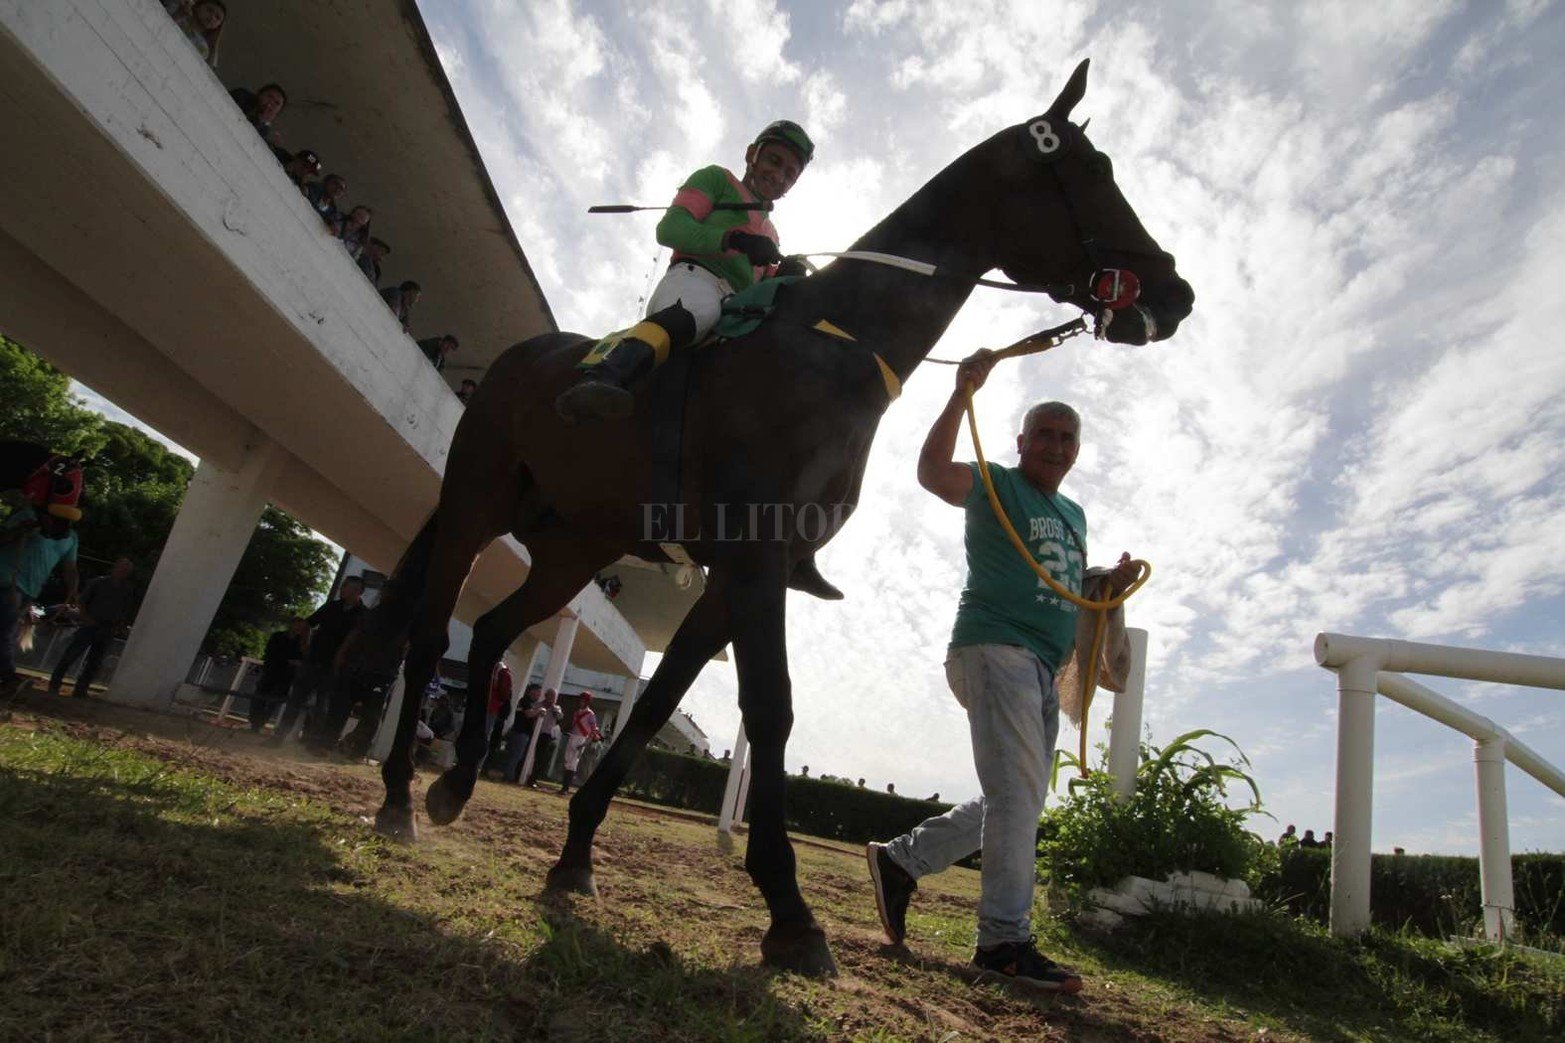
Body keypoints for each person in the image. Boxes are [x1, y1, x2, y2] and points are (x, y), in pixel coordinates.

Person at [866, 353, 1139, 994]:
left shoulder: (1074, 514)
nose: (1056, 444)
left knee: (1016, 799)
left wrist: (1110, 582)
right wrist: (962, 395)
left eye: (1067, 437)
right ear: (1021, 442)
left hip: (1044, 664)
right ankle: (1003, 945)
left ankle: (904, 862)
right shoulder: (994, 481)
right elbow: (932, 472)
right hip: (993, 649)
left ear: (1076, 451)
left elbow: (1070, 584)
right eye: (1044, 433)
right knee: (1018, 798)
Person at [554, 120, 814, 422]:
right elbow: (670, 228)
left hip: (735, 308)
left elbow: (764, 292)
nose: (779, 176)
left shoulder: (772, 234)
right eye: (774, 161)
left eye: (790, 174)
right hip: (693, 281)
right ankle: (604, 376)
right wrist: (734, 239)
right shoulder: (717, 179)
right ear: (752, 154)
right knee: (698, 311)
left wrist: (785, 278)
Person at [266, 576, 366, 745]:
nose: (341, 589)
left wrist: (343, 658)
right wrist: (306, 646)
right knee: (296, 700)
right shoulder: (332, 607)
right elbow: (308, 624)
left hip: (336, 666)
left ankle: (314, 742)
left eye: (345, 587)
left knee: (323, 705)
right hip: (315, 659)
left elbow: (356, 640)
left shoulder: (363, 615)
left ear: (357, 591)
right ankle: (279, 737)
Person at [0, 505, 80, 694]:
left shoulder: (70, 537)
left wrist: (73, 590)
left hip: (31, 590)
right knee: (5, 630)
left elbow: (70, 567)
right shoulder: (27, 516)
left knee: (7, 630)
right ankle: (8, 676)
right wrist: (21, 530)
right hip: (7, 582)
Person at [47, 556, 135, 697]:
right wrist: (85, 618)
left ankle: (81, 689)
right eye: (122, 568)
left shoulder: (127, 589)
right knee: (71, 656)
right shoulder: (99, 583)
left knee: (94, 662)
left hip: (108, 628)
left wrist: (119, 625)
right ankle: (54, 685)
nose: (124, 572)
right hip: (91, 624)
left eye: (127, 570)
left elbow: (125, 610)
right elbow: (82, 601)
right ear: (115, 568)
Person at [249, 616, 307, 731]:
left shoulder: (300, 642)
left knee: (273, 700)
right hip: (273, 671)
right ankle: (255, 721)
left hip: (285, 675)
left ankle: (259, 722)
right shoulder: (279, 637)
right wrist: (288, 661)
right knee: (261, 696)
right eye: (297, 625)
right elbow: (271, 653)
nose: (299, 628)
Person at [559, 692, 601, 794]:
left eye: (583, 700)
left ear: (587, 702)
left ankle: (565, 788)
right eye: (580, 700)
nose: (581, 702)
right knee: (567, 760)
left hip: (581, 738)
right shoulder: (576, 712)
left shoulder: (590, 714)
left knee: (573, 763)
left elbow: (593, 729)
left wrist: (586, 743)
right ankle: (564, 786)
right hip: (572, 736)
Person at [164, 0, 226, 68]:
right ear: (198, 7)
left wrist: (215, 44)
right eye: (209, 10)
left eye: (217, 18)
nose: (212, 17)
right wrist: (179, 14)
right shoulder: (175, 10)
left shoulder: (202, 47)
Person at [522, 688, 563, 787]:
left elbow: (560, 718)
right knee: (528, 754)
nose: (552, 698)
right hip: (536, 733)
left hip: (547, 735)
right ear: (546, 696)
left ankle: (533, 779)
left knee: (541, 758)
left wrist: (554, 709)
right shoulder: (538, 705)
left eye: (554, 696)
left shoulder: (557, 708)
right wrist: (539, 710)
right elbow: (531, 714)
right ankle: (521, 774)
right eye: (550, 696)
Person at [482, 660, 514, 774]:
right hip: (492, 707)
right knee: (485, 736)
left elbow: (504, 693)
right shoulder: (502, 671)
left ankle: (481, 765)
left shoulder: (502, 672)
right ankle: (480, 764)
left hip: (493, 708)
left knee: (485, 736)